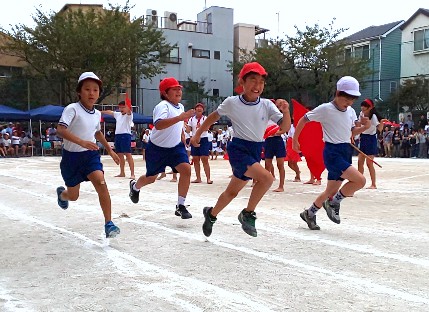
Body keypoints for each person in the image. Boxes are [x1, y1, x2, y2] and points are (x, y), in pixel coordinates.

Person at [190, 62, 291, 237]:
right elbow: (213, 117)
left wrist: (287, 111)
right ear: (242, 82)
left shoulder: (267, 105)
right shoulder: (232, 102)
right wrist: (198, 134)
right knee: (267, 178)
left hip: (255, 150)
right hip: (238, 149)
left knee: (231, 192)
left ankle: (211, 214)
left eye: (261, 82)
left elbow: (286, 127)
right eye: (253, 80)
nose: (257, 86)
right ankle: (248, 214)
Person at [293, 76, 370, 230]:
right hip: (332, 152)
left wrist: (364, 128)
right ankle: (334, 202)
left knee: (330, 190)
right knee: (360, 181)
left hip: (345, 151)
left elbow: (352, 131)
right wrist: (295, 140)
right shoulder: (325, 109)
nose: (349, 102)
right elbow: (303, 119)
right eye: (346, 98)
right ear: (337, 93)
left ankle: (310, 213)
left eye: (352, 99)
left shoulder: (351, 111)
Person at [56, 72, 121, 238]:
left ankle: (109, 224)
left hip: (90, 156)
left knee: (101, 182)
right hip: (71, 158)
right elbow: (61, 130)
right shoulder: (72, 109)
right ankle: (62, 194)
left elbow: (97, 133)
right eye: (87, 89)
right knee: (74, 196)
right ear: (79, 91)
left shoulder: (97, 113)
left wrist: (110, 149)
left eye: (95, 90)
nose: (91, 93)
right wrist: (81, 142)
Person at [129, 77, 195, 219]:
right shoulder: (163, 106)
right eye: (174, 89)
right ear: (165, 93)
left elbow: (179, 127)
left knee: (186, 170)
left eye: (179, 89)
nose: (179, 91)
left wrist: (183, 140)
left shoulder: (181, 107)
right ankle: (135, 187)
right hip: (157, 148)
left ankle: (180, 205)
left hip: (175, 147)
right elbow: (158, 124)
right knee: (151, 178)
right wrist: (180, 118)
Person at [101, 101, 135, 179]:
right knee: (120, 155)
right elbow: (109, 112)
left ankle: (132, 174)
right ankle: (122, 172)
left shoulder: (129, 115)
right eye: (120, 107)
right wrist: (99, 112)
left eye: (123, 107)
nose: (121, 109)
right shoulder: (117, 114)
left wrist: (128, 108)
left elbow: (129, 112)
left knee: (128, 154)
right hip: (118, 136)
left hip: (125, 135)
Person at [357, 99, 386, 189]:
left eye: (364, 107)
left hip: (371, 139)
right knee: (359, 162)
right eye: (362, 107)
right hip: (363, 138)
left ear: (370, 108)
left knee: (369, 163)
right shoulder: (361, 114)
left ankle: (373, 184)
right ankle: (359, 182)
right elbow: (358, 125)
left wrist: (381, 123)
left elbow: (379, 130)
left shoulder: (373, 117)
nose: (362, 109)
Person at [187, 103, 213, 184]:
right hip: (194, 139)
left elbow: (207, 128)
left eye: (200, 108)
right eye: (197, 107)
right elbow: (188, 130)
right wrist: (186, 126)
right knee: (195, 159)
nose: (199, 109)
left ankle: (208, 178)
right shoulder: (191, 119)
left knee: (204, 158)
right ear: (195, 110)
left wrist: (200, 128)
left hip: (203, 138)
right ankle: (198, 178)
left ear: (203, 110)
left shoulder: (205, 118)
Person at [264, 120, 287, 192]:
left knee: (280, 165)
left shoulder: (278, 117)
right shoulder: (264, 118)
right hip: (268, 141)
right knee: (267, 165)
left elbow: (285, 129)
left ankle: (281, 186)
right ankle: (265, 185)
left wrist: (276, 132)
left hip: (278, 140)